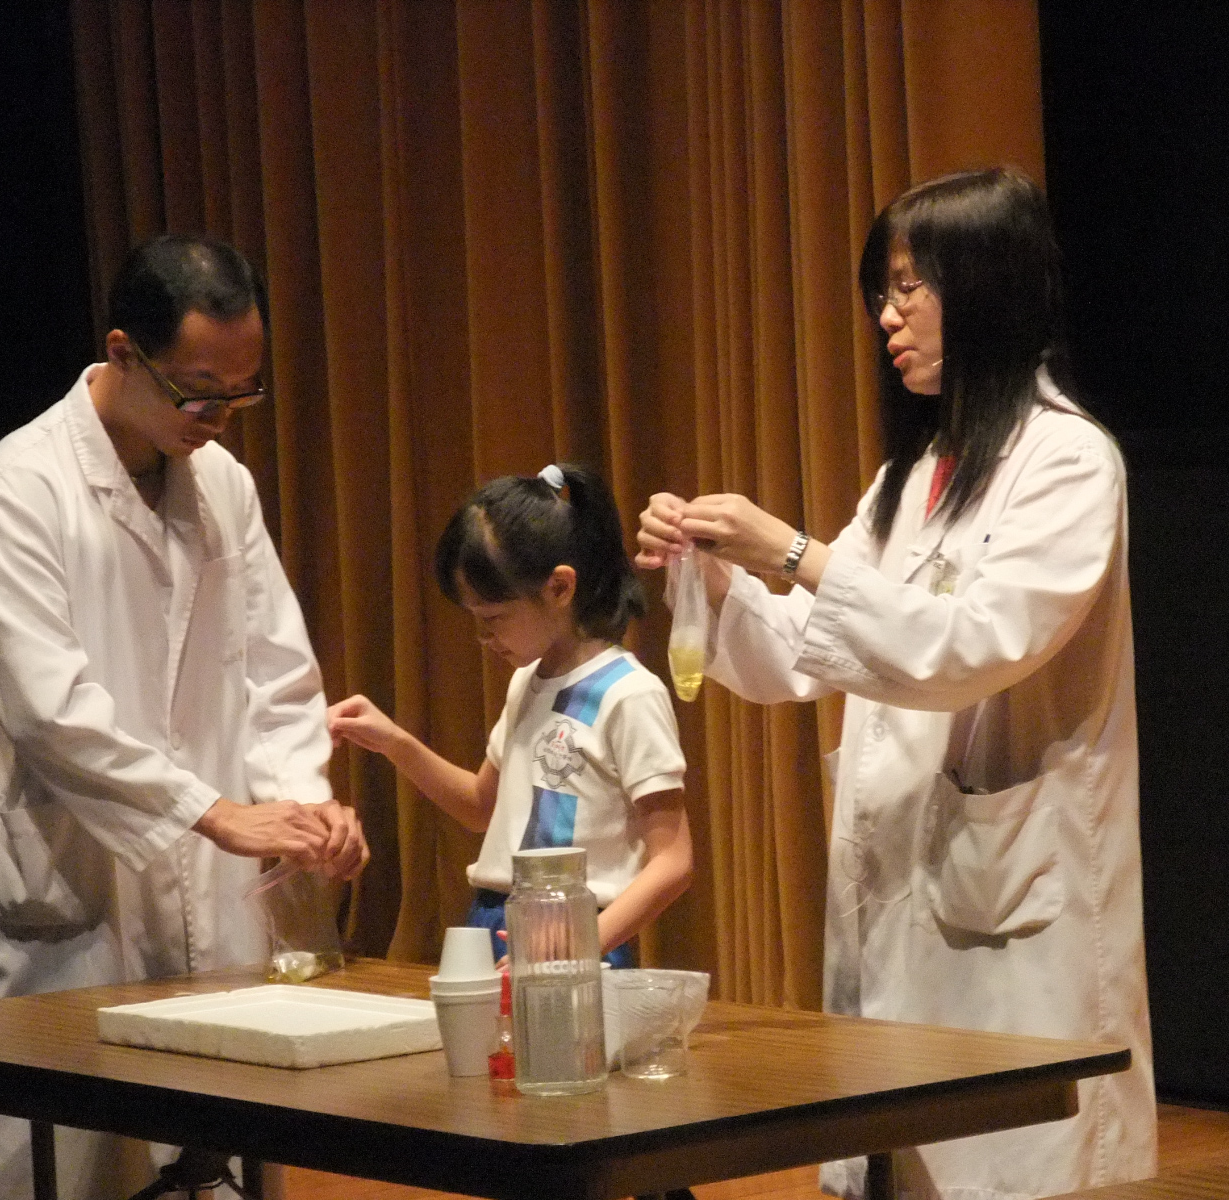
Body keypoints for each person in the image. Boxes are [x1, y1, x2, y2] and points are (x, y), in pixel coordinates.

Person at [636, 168, 1155, 1199]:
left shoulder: (1067, 461)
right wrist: (717, 576)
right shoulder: (910, 478)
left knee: (1009, 1166)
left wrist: (792, 551)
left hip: (1013, 915)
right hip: (906, 900)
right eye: (883, 290)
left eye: (910, 286)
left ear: (985, 287)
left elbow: (971, 646)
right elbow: (803, 651)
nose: (886, 315)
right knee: (900, 1154)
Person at [0, 234, 368, 1200]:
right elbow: (49, 710)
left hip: (209, 891)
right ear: (123, 352)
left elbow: (276, 672)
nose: (218, 419)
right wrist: (212, 812)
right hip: (68, 890)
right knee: (68, 1164)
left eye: (242, 395)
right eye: (198, 392)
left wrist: (300, 809)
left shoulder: (224, 486)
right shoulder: (22, 488)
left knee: (216, 1158)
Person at [329, 463, 691, 968]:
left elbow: (673, 860)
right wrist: (393, 741)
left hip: (577, 932)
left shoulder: (628, 693)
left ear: (559, 588)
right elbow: (481, 806)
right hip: (494, 918)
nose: (483, 638)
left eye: (494, 618)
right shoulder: (527, 681)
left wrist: (579, 940)